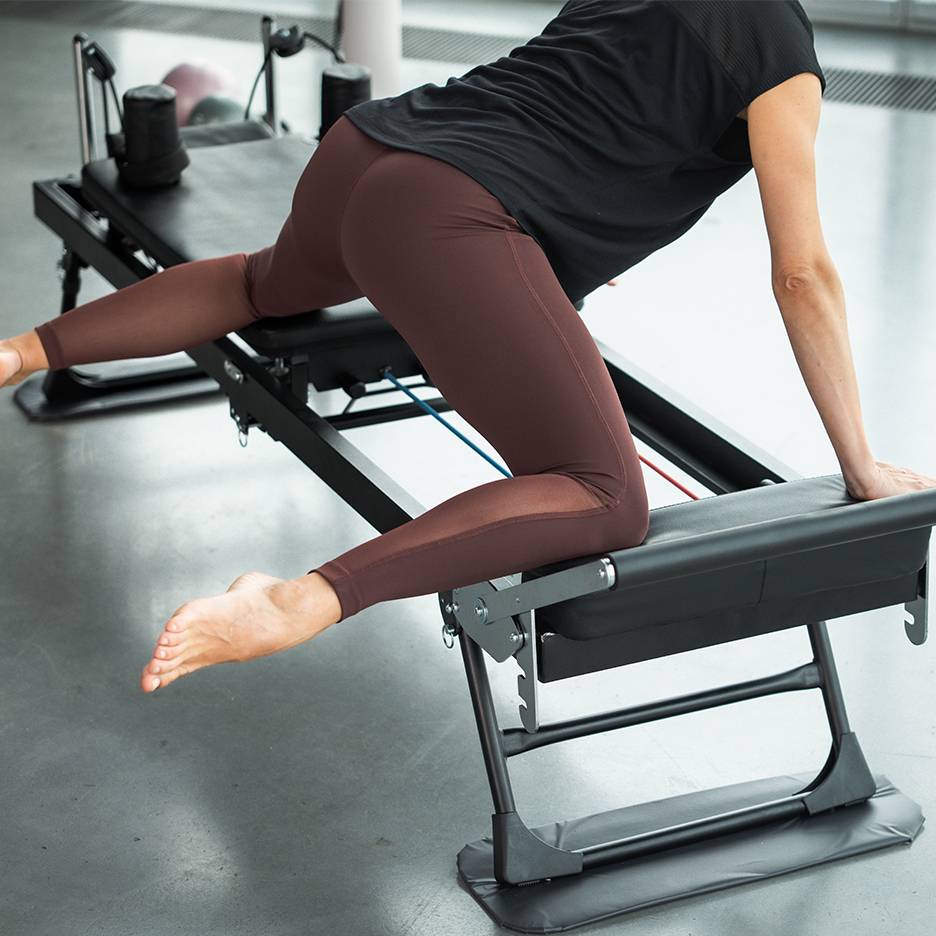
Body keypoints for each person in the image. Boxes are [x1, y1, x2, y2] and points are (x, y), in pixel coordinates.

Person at [1, 0, 934, 694]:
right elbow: (801, 271)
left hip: (369, 151)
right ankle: (299, 599)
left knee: (261, 284)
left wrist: (549, 252)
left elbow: (587, 108)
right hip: (449, 220)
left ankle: (22, 350)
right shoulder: (781, 51)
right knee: (607, 498)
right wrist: (858, 467)